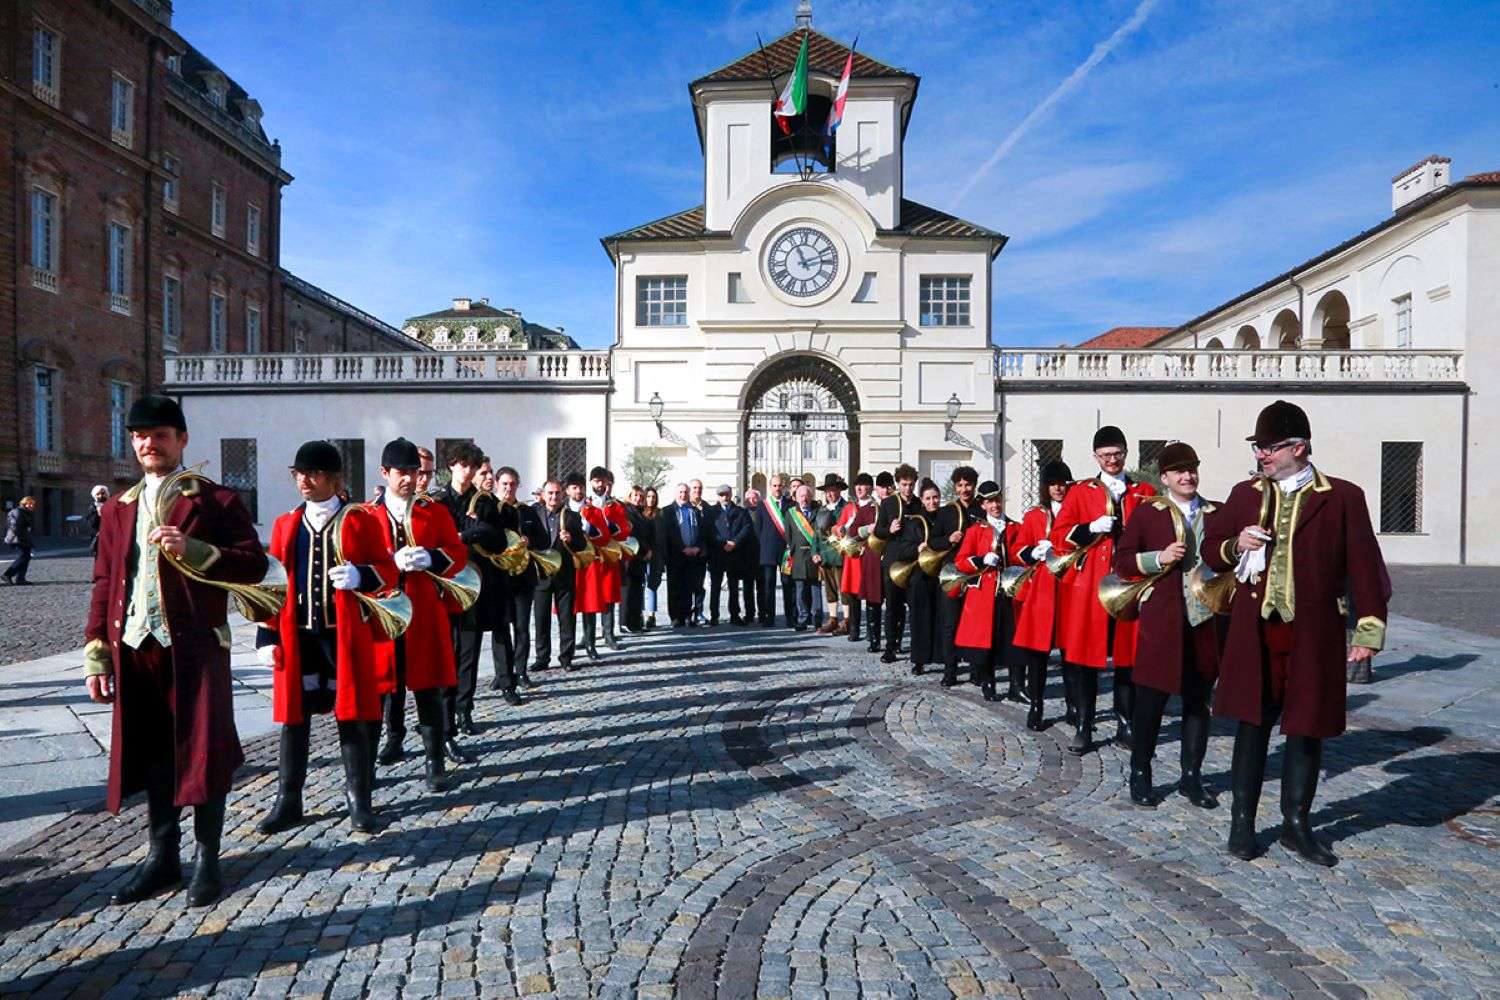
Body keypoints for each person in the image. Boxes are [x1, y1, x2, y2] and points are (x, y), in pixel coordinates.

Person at [82, 395, 267, 906]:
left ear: (182, 440)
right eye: (140, 436)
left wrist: (200, 552)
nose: (148, 444)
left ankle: (207, 859)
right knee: (153, 754)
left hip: (194, 645)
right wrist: (97, 651)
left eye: (160, 435)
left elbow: (253, 565)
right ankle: (162, 857)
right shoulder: (119, 508)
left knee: (204, 752)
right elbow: (104, 580)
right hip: (136, 646)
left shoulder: (215, 500)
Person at [1205, 401, 1389, 866]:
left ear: (1299, 447)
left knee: (1307, 730)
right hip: (1256, 633)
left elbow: (1364, 565)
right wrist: (1234, 544)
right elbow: (1210, 547)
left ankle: (1296, 826)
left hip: (1313, 634)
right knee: (1252, 726)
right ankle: (1242, 825)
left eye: (1270, 447)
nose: (1262, 455)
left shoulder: (1343, 496)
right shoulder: (1245, 494)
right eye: (1259, 447)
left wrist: (1367, 629)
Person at [256, 441, 395, 836]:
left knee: (352, 718)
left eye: (311, 473)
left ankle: (359, 801)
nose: (303, 480)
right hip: (297, 638)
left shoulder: (360, 520)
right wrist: (267, 635)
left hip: (343, 640)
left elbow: (388, 570)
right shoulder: (286, 524)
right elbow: (274, 585)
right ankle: (288, 800)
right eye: (298, 473)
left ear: (334, 479)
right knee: (293, 721)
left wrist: (362, 576)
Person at [1114, 442, 1221, 809]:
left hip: (1204, 620)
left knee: (1198, 702)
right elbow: (1122, 561)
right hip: (1162, 619)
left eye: (1191, 469)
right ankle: (1140, 771)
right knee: (1151, 701)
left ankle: (1192, 777)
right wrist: (1157, 557)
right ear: (1164, 478)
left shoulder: (1215, 512)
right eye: (1179, 471)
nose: (1187, 476)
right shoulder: (1149, 513)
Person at [369, 438, 468, 793]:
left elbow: (457, 554)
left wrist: (432, 558)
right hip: (381, 615)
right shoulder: (367, 515)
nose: (410, 479)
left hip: (423, 613)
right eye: (402, 473)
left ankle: (434, 761)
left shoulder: (434, 512)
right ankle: (374, 758)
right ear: (385, 473)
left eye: (414, 472)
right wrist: (387, 564)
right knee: (380, 689)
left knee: (428, 688)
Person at [1050, 426, 1156, 755]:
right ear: (1096, 457)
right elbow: (1059, 536)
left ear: (1126, 454)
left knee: (1127, 658)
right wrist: (1089, 528)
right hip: (1090, 587)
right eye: (1105, 455)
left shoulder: (1143, 490)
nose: (1111, 460)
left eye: (1117, 454)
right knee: (1085, 657)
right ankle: (1084, 724)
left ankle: (1126, 722)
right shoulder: (1080, 492)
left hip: (1129, 584)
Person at [428, 442, 496, 758]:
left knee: (468, 651)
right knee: (443, 655)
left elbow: (493, 533)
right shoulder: (437, 500)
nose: (468, 472)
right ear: (452, 466)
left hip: (473, 586)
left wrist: (462, 535)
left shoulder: (483, 500)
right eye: (462, 465)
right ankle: (442, 726)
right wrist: (467, 531)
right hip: (442, 586)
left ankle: (463, 709)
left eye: (472, 466)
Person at [952, 480, 1025, 701]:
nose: (995, 505)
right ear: (982, 505)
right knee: (987, 642)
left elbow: (1021, 556)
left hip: (1010, 593)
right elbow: (961, 562)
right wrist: (981, 560)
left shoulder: (1015, 527)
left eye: (997, 500)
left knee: (1016, 641)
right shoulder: (975, 531)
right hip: (986, 594)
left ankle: (1017, 687)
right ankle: (989, 683)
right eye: (989, 502)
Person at [1012, 461, 1070, 731]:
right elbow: (1018, 549)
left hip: (1070, 587)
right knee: (1038, 653)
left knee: (1072, 654)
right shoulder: (1034, 515)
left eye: (1062, 482)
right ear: (1046, 487)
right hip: (1042, 589)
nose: (1058, 488)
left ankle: (1074, 706)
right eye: (1054, 483)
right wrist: (1032, 552)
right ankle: (1037, 705)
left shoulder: (1076, 512)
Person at [493, 464, 548, 692]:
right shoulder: (492, 509)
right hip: (499, 578)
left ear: (518, 485)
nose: (508, 488)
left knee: (522, 627)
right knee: (500, 629)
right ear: (497, 484)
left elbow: (544, 540)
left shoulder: (527, 511)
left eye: (512, 484)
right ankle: (502, 674)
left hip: (524, 578)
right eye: (504, 484)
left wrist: (529, 541)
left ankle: (521, 670)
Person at [885, 479, 949, 676]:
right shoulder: (914, 522)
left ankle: (943, 657)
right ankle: (919, 660)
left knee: (941, 619)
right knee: (919, 620)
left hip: (940, 575)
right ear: (922, 500)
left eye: (936, 497)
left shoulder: (946, 518)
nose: (933, 502)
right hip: (920, 577)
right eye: (928, 498)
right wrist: (917, 548)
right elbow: (903, 549)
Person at [933, 466, 984, 688]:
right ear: (955, 487)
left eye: (968, 484)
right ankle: (950, 670)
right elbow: (933, 542)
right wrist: (948, 540)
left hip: (975, 574)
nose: (964, 489)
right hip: (952, 573)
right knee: (950, 624)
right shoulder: (946, 512)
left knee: (974, 624)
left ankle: (975, 669)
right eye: (960, 485)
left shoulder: (982, 509)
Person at [532, 478, 589, 672]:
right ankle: (542, 657)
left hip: (564, 575)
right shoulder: (534, 513)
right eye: (550, 493)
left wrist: (571, 539)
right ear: (543, 495)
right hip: (542, 575)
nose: (553, 496)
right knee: (541, 619)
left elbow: (582, 545)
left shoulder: (572, 516)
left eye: (557, 493)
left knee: (566, 619)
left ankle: (566, 658)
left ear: (562, 494)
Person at [874, 465, 919, 664]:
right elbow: (878, 531)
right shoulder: (889, 503)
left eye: (911, 484)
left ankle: (912, 646)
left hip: (914, 561)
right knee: (892, 606)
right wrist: (889, 529)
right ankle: (890, 647)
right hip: (893, 561)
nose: (908, 488)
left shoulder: (919, 504)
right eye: (904, 484)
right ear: (897, 484)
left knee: (915, 606)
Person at [834, 473, 882, 647]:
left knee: (870, 591)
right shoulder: (849, 508)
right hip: (853, 556)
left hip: (869, 554)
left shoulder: (876, 506)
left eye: (864, 486)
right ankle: (854, 628)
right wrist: (839, 530)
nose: (860, 489)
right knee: (853, 594)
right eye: (858, 486)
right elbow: (839, 526)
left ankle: (871, 632)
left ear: (870, 488)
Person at [662, 482, 707, 628]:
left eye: (686, 492)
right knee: (675, 587)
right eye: (680, 492)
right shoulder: (668, 511)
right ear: (676, 493)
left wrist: (697, 547)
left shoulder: (694, 510)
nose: (683, 495)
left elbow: (701, 531)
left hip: (693, 554)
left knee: (689, 587)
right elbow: (669, 534)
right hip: (676, 555)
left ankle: (687, 616)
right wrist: (683, 548)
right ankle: (675, 617)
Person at [752, 474, 794, 627]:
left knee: (787, 584)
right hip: (768, 552)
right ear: (770, 487)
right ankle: (769, 617)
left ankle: (790, 617)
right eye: (774, 486)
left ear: (784, 487)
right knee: (768, 585)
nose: (777, 489)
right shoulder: (763, 505)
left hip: (786, 552)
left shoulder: (791, 505)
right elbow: (757, 529)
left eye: (780, 486)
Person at [812, 474, 850, 635]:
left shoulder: (847, 508)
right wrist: (815, 552)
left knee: (844, 589)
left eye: (833, 491)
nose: (830, 494)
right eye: (827, 491)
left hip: (841, 555)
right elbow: (816, 535)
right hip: (825, 556)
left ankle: (848, 620)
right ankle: (833, 619)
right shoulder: (821, 509)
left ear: (839, 491)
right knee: (829, 589)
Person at [712, 486, 756, 625]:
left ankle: (734, 614)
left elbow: (746, 528)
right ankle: (714, 615)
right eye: (721, 495)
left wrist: (735, 542)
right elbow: (709, 531)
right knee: (715, 587)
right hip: (718, 553)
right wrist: (722, 543)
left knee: (734, 587)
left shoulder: (740, 511)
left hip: (735, 553)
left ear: (731, 494)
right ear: (718, 496)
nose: (724, 497)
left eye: (726, 494)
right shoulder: (712, 512)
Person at [785, 483, 822, 631]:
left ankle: (817, 618)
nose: (804, 499)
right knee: (800, 590)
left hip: (815, 556)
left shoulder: (819, 512)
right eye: (801, 496)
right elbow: (788, 536)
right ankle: (802, 618)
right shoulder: (790, 513)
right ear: (796, 498)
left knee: (816, 589)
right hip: (799, 556)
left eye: (807, 496)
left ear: (811, 497)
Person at [620, 485, 652, 634]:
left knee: (637, 591)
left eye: (641, 496)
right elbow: (632, 534)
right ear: (630, 496)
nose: (638, 498)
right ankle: (625, 622)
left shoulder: (641, 513)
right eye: (636, 495)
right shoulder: (627, 512)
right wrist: (645, 551)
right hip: (630, 557)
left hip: (639, 558)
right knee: (628, 591)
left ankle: (636, 622)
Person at [640, 487, 664, 630]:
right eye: (648, 496)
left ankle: (651, 615)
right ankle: (641, 614)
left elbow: (662, 536)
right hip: (642, 553)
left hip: (655, 555)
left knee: (652, 585)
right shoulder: (640, 513)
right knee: (643, 585)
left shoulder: (660, 514)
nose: (651, 499)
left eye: (653, 496)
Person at [687, 479, 711, 624]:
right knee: (688, 585)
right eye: (694, 488)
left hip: (701, 553)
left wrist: (701, 548)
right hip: (687, 552)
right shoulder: (685, 506)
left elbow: (708, 531)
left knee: (700, 585)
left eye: (700, 488)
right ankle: (688, 614)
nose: (697, 490)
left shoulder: (708, 508)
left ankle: (699, 612)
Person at [3, 496, 37, 585]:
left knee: (26, 556)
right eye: (30, 504)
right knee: (24, 556)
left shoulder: (25, 512)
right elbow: (15, 526)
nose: (31, 506)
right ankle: (7, 574)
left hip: (24, 538)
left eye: (33, 504)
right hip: (17, 538)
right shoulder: (17, 511)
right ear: (24, 503)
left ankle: (21, 578)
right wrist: (22, 536)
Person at [88, 485, 109, 555]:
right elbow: (92, 523)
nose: (100, 496)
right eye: (98, 494)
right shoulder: (92, 507)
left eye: (103, 493)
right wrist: (97, 513)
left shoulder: (110, 505)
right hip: (98, 537)